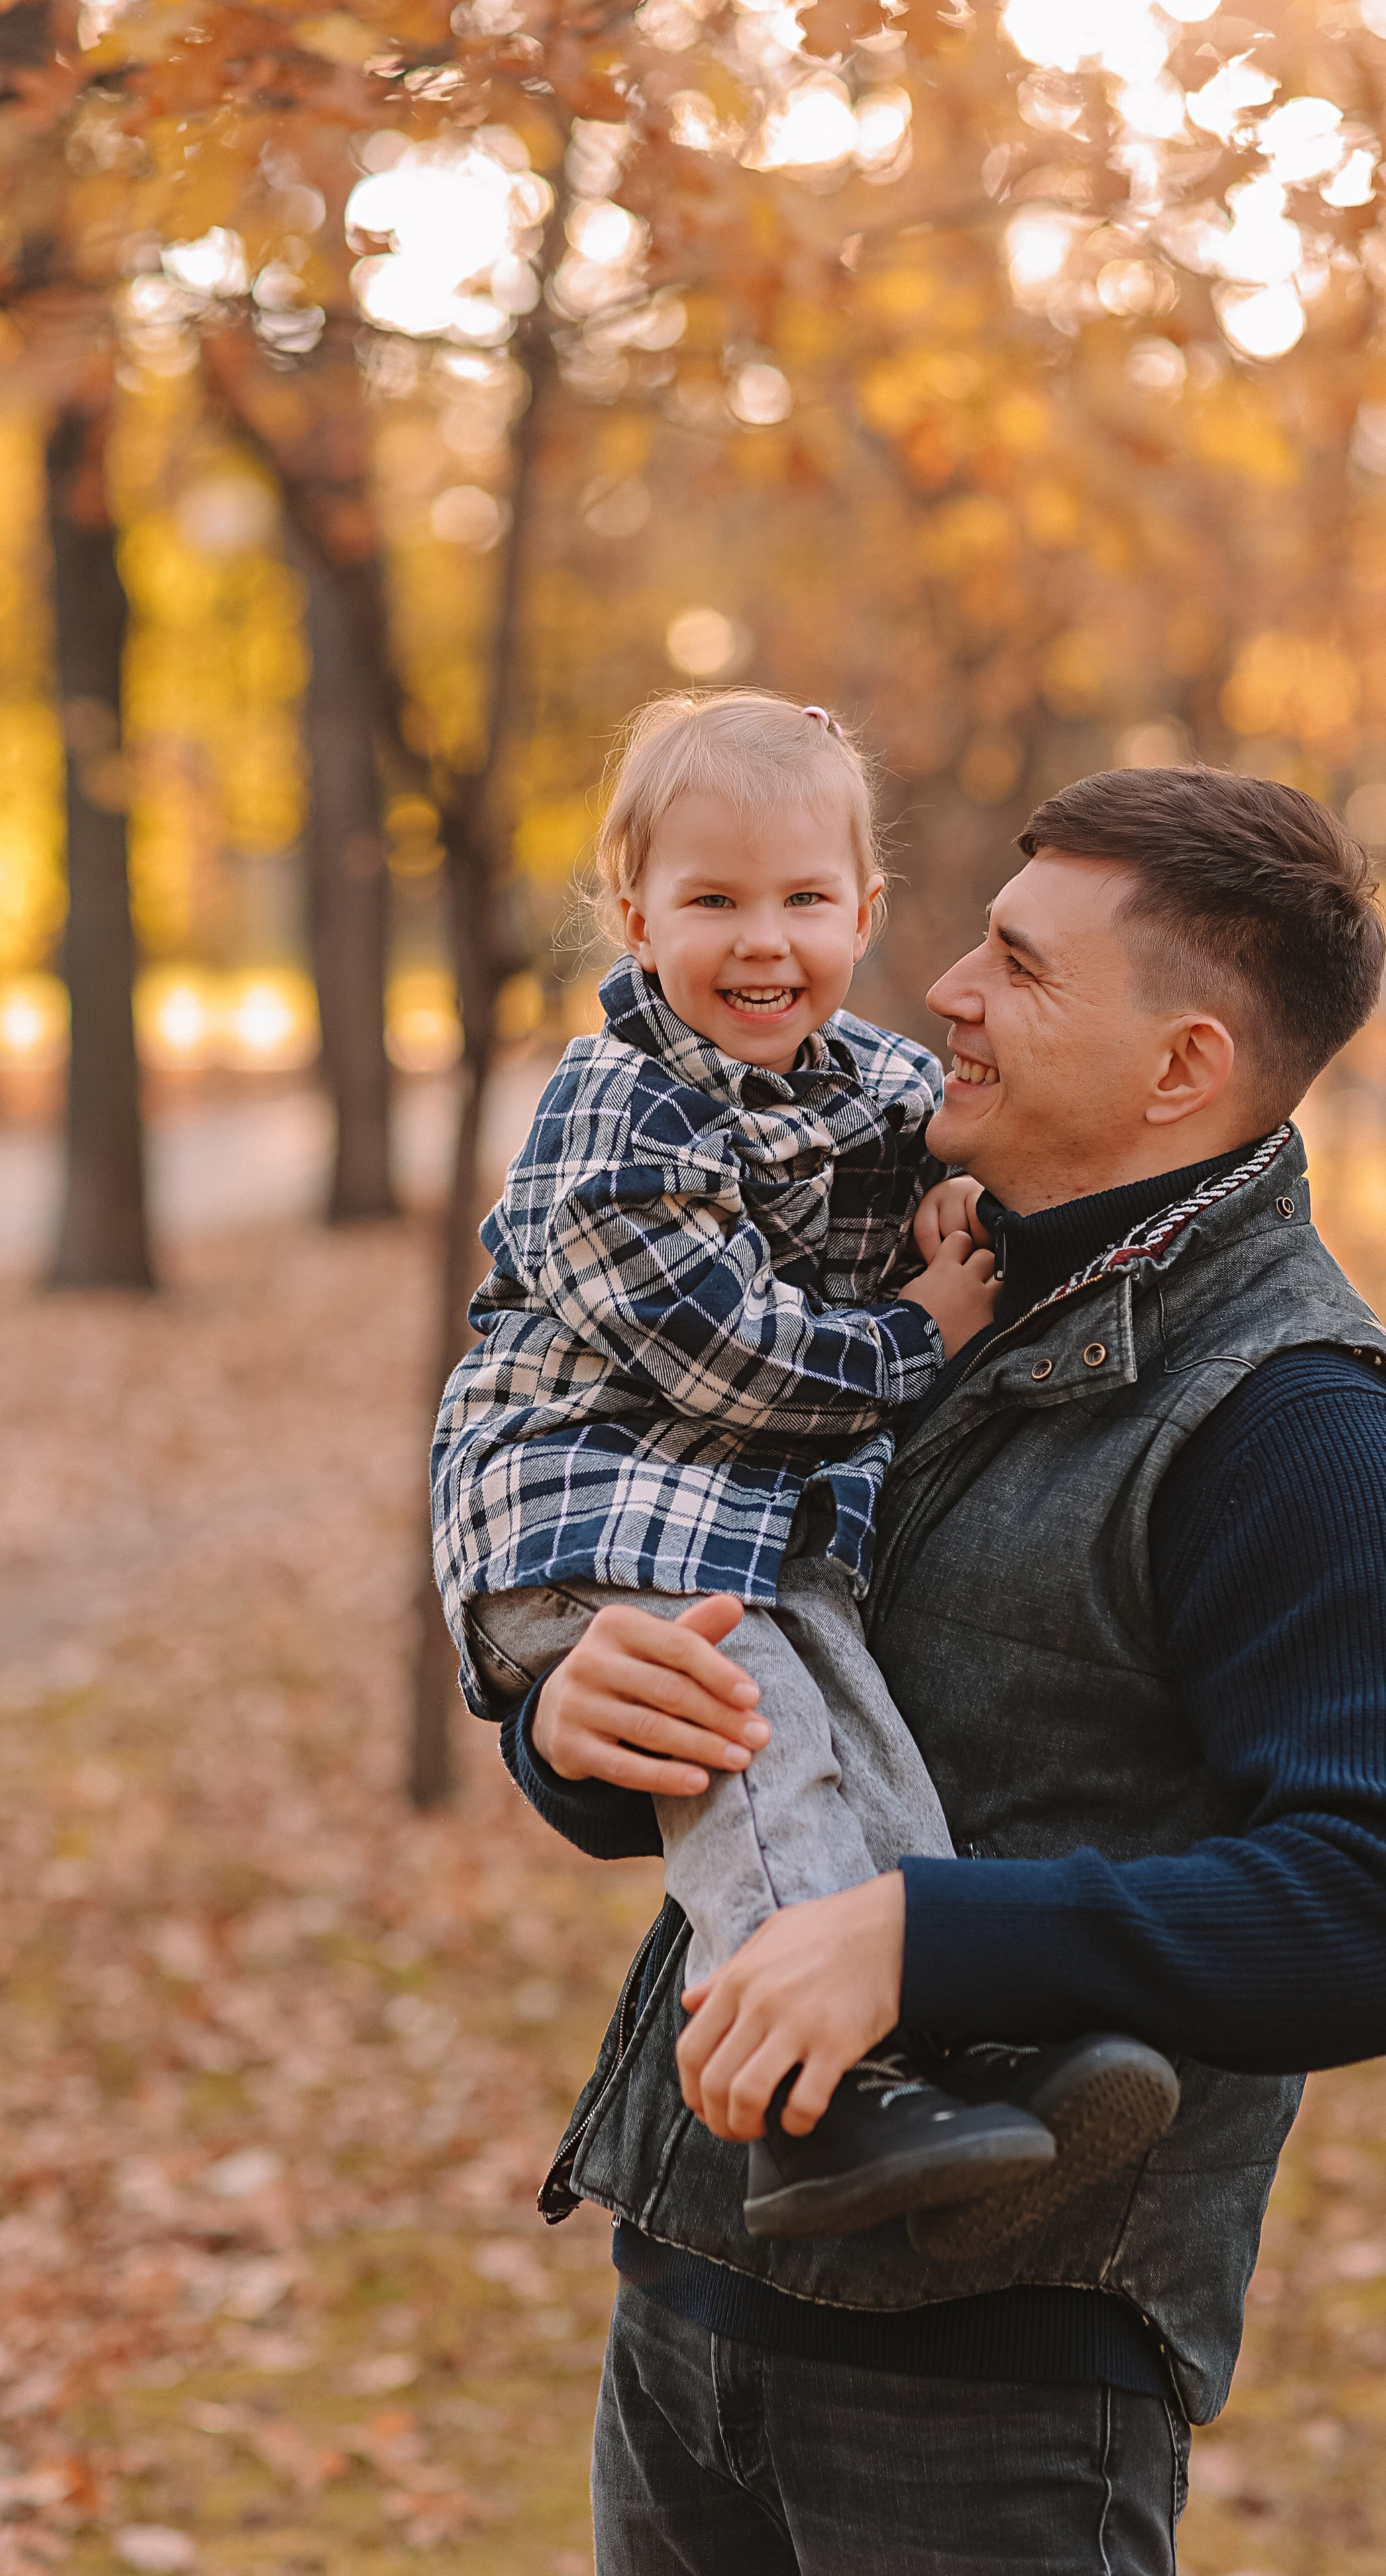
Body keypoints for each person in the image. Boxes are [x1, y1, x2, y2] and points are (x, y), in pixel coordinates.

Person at [511, 762, 1386, 2575]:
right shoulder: (903, 1285)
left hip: (992, 2394)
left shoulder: (1298, 1426)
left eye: (1022, 970)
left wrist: (919, 1935)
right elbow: (764, 1682)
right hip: (693, 2295)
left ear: (1183, 1066)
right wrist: (577, 1728)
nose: (944, 988)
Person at [432, 690, 1178, 2245]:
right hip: (589, 1499)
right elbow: (734, 1369)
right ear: (633, 918)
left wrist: (946, 1209)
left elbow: (959, 1146)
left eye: (800, 900)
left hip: (741, 1526)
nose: (761, 941)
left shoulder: (862, 1076)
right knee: (760, 1744)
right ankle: (810, 2097)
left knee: (860, 1740)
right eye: (712, 902)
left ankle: (936, 2043)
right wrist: (925, 1320)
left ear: (864, 911)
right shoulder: (614, 1110)